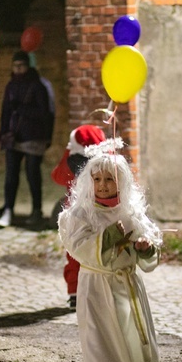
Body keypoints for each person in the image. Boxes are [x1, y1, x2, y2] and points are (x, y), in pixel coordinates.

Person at [58, 138, 163, 362]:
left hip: (125, 286)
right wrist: (108, 236)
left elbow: (147, 250)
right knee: (99, 337)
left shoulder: (131, 212)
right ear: (89, 181)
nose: (103, 184)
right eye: (97, 179)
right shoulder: (81, 214)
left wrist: (145, 248)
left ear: (122, 182)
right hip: (96, 285)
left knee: (124, 335)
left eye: (110, 179)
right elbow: (79, 247)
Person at [0, 50, 53, 228]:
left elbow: (44, 113)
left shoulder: (37, 86)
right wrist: (3, 132)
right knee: (11, 176)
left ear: (28, 67)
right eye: (15, 66)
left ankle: (36, 210)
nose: (18, 69)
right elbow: (5, 111)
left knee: (32, 174)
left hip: (33, 137)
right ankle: (8, 209)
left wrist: (22, 110)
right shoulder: (11, 85)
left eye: (21, 66)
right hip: (14, 137)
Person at [51, 125, 106, 309]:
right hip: (101, 213)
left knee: (74, 253)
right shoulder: (103, 163)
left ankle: (75, 293)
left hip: (76, 216)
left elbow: (57, 176)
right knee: (99, 251)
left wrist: (68, 151)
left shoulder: (71, 163)